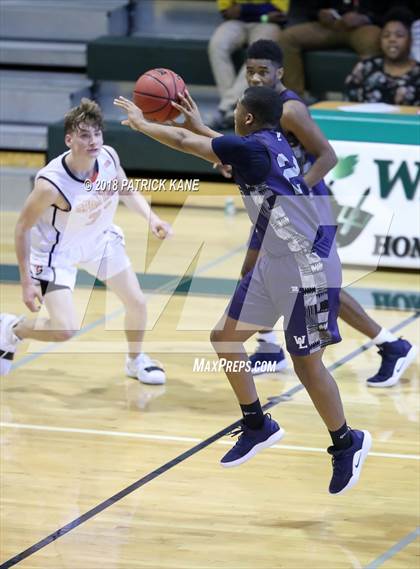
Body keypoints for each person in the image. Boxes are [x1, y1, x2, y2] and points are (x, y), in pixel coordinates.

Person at [114, 86, 371, 495]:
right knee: (225, 339)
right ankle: (257, 423)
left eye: (236, 109)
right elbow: (212, 144)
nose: (233, 114)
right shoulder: (271, 143)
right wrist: (199, 124)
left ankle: (346, 442)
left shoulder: (253, 150)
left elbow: (185, 142)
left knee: (306, 364)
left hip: (307, 266)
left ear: (247, 118)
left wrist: (145, 125)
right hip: (276, 260)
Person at [176, 39, 417, 387]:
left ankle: (389, 343)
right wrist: (201, 128)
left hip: (308, 208)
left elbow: (327, 156)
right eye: (251, 72)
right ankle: (270, 347)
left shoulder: (290, 110)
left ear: (280, 72)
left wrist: (293, 190)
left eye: (263, 72)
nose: (256, 78)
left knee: (318, 284)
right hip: (277, 209)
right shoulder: (259, 108)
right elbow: (246, 150)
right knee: (255, 271)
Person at [0, 98, 172, 384]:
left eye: (96, 133)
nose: (93, 141)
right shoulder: (51, 185)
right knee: (65, 330)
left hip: (98, 241)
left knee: (137, 302)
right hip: (56, 255)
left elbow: (125, 189)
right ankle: (12, 329)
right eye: (84, 134)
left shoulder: (108, 157)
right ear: (69, 139)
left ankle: (135, 361)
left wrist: (152, 218)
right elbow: (21, 228)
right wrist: (26, 282)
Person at [208, 0, 289, 129]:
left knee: (258, 53)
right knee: (217, 45)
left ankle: (226, 107)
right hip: (236, 23)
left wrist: (243, 10)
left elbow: (278, 12)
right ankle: (233, 109)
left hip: (267, 24)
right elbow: (227, 12)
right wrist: (262, 13)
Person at [278, 0, 384, 97]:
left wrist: (366, 18)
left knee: (372, 41)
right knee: (287, 38)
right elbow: (305, 8)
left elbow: (393, 10)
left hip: (364, 26)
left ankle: (368, 98)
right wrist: (319, 13)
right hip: (330, 25)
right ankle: (295, 101)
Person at [345, 8, 420, 105]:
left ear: (411, 40)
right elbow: (348, 103)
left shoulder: (418, 74)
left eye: (399, 35)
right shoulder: (365, 67)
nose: (392, 40)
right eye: (386, 35)